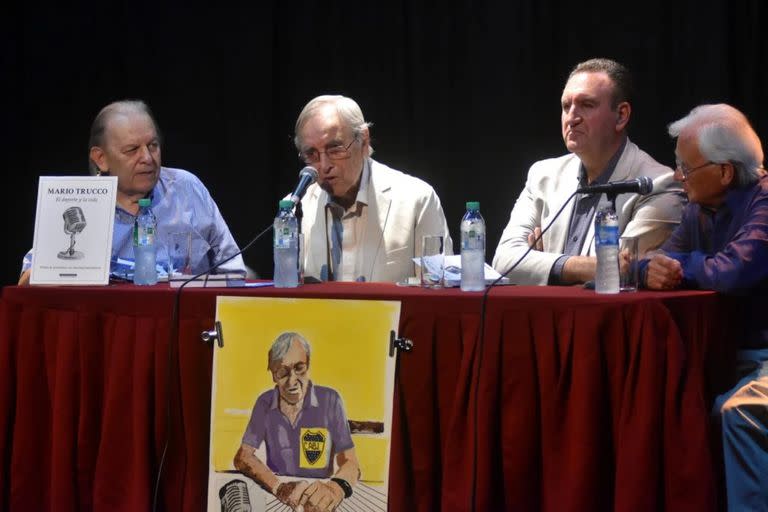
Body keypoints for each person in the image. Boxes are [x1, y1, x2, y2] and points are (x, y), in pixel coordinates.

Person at [639, 104, 767, 511]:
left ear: (725, 172)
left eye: (686, 168)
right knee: (660, 401)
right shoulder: (698, 210)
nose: (678, 177)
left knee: (737, 413)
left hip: (763, 357)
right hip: (726, 355)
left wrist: (679, 267)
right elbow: (654, 260)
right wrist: (649, 271)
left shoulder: (764, 204)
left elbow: (733, 272)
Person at [492, 58, 685, 285]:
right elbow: (504, 261)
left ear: (621, 115)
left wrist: (542, 261)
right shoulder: (542, 175)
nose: (572, 118)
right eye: (566, 106)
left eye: (587, 105)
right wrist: (576, 266)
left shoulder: (659, 184)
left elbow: (620, 269)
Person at [18, 100, 245, 284]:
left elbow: (233, 269)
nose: (147, 158)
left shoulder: (186, 188)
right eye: (132, 150)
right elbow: (27, 281)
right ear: (101, 159)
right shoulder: (82, 202)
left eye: (153, 146)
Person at [294, 95, 452, 283]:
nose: (324, 165)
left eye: (335, 149)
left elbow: (438, 290)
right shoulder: (296, 209)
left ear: (364, 140)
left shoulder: (417, 200)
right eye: (311, 154)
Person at [234, 332, 359, 512]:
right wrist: (278, 487)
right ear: (273, 376)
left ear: (308, 366)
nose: (292, 381)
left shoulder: (331, 399)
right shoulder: (264, 402)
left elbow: (351, 463)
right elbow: (243, 457)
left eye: (299, 368)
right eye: (282, 373)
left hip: (320, 498)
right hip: (281, 497)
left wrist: (335, 488)